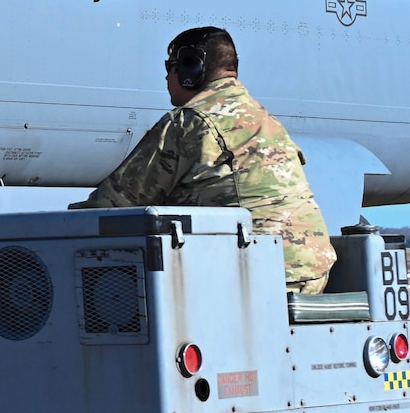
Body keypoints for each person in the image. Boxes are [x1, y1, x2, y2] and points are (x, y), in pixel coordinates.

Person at [73, 26, 337, 293]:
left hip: (256, 277)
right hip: (311, 274)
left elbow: (113, 205)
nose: (166, 77)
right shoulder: (265, 121)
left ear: (190, 69)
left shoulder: (189, 123)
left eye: (170, 66)